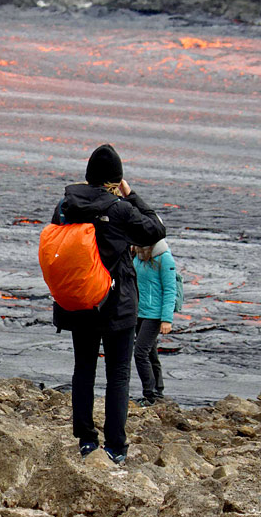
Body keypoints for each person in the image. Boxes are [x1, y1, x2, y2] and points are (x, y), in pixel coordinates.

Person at [51, 144, 165, 464]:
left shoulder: (65, 205)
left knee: (83, 370)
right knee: (118, 374)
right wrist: (131, 196)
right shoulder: (121, 209)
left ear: (88, 176)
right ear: (116, 181)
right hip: (118, 303)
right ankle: (115, 447)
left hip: (79, 301)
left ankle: (86, 440)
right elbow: (156, 230)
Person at [132, 239, 178, 405]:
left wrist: (166, 319)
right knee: (150, 353)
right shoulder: (136, 253)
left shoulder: (164, 258)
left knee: (140, 353)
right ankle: (157, 392)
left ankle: (150, 394)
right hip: (139, 313)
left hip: (154, 315)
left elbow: (170, 289)